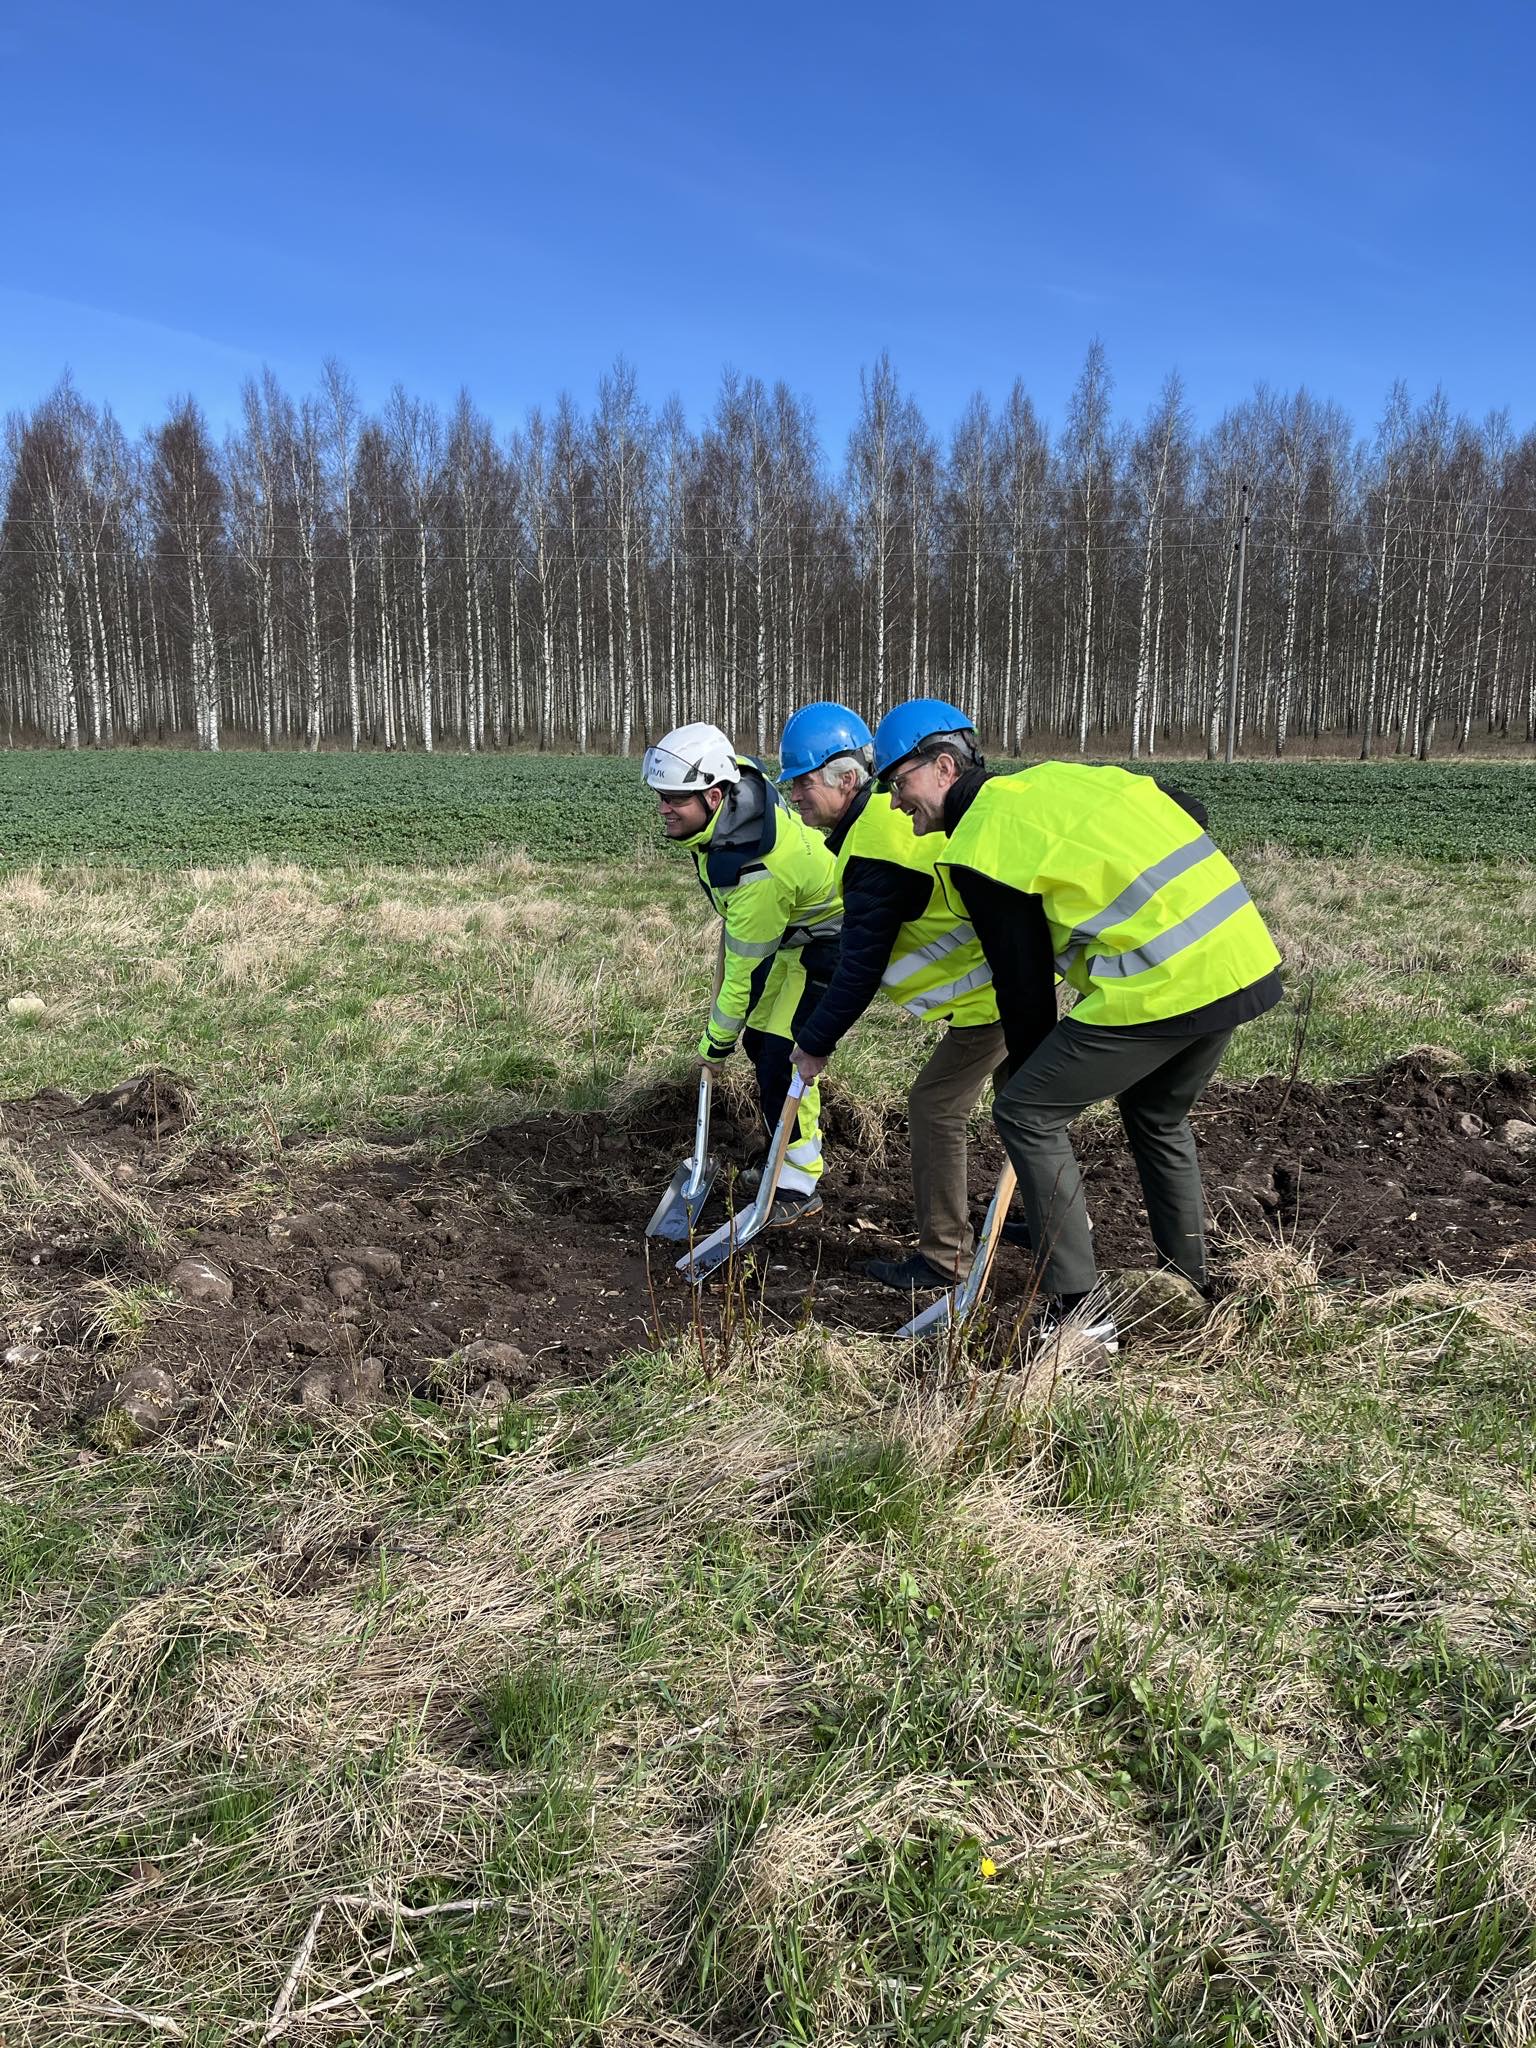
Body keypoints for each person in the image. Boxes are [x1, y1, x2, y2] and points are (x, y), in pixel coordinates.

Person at [871, 704, 1283, 1350]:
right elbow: (1188, 804)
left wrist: (1030, 1091)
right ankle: (1187, 1285)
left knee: (1026, 1112)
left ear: (944, 767)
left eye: (898, 783)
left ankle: (1078, 1312)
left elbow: (1024, 987)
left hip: (1166, 982)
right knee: (1156, 1115)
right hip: (1241, 956)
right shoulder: (1055, 782)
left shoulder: (983, 845)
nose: (896, 804)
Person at [776, 700, 1007, 1292]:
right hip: (1010, 985)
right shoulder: (883, 823)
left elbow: (860, 966)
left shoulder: (877, 845)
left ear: (846, 779)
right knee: (1026, 1110)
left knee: (935, 1106)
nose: (793, 796)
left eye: (801, 782)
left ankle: (943, 1260)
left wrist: (814, 1043)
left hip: (995, 997)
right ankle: (1045, 1218)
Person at [643, 721, 842, 1224]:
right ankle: (784, 1149)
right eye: (662, 797)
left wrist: (714, 1048)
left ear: (713, 797)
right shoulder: (738, 791)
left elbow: (743, 977)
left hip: (832, 941)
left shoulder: (757, 873)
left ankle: (799, 1180)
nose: (664, 808)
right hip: (790, 933)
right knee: (762, 1043)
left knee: (783, 1052)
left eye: (676, 800)